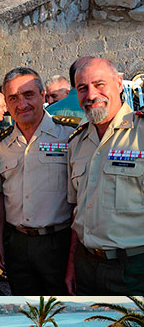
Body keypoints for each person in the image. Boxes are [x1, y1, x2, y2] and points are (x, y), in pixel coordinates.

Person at [66, 57, 144, 294]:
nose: (91, 95)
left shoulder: (141, 135)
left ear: (119, 83)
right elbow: (77, 210)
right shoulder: (77, 143)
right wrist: (71, 264)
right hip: (86, 265)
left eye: (100, 84)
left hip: (133, 269)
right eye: (82, 88)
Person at [0, 66, 74, 292]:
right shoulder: (1, 144)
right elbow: (0, 196)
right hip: (17, 244)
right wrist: (0, 242)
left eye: (28, 95)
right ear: (7, 104)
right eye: (13, 98)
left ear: (42, 96)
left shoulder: (70, 135)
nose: (21, 104)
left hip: (57, 242)